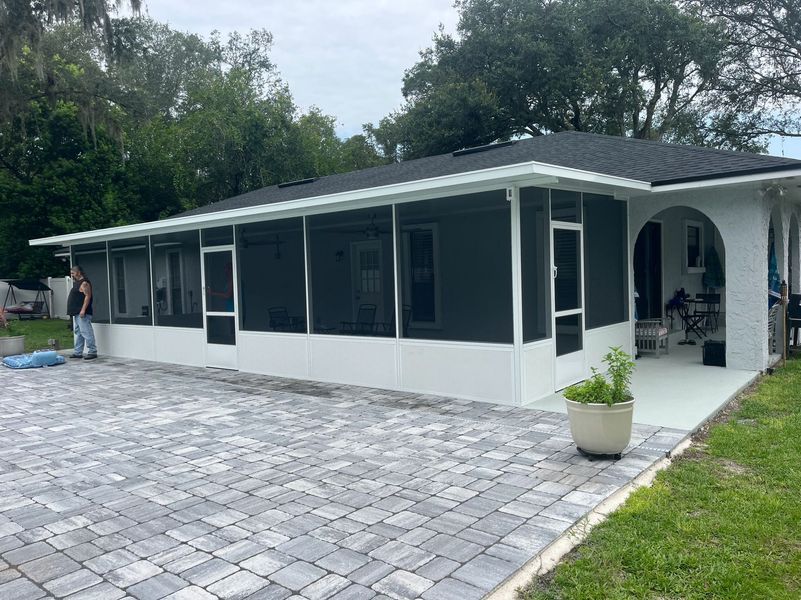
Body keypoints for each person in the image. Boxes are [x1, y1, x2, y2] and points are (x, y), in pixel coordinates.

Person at [67, 265, 97, 360]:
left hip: (82, 313)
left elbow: (87, 296)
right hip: (77, 313)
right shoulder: (77, 283)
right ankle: (78, 352)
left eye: (73, 273)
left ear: (78, 272)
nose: (71, 275)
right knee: (79, 333)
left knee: (86, 332)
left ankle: (92, 351)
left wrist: (83, 310)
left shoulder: (84, 283)